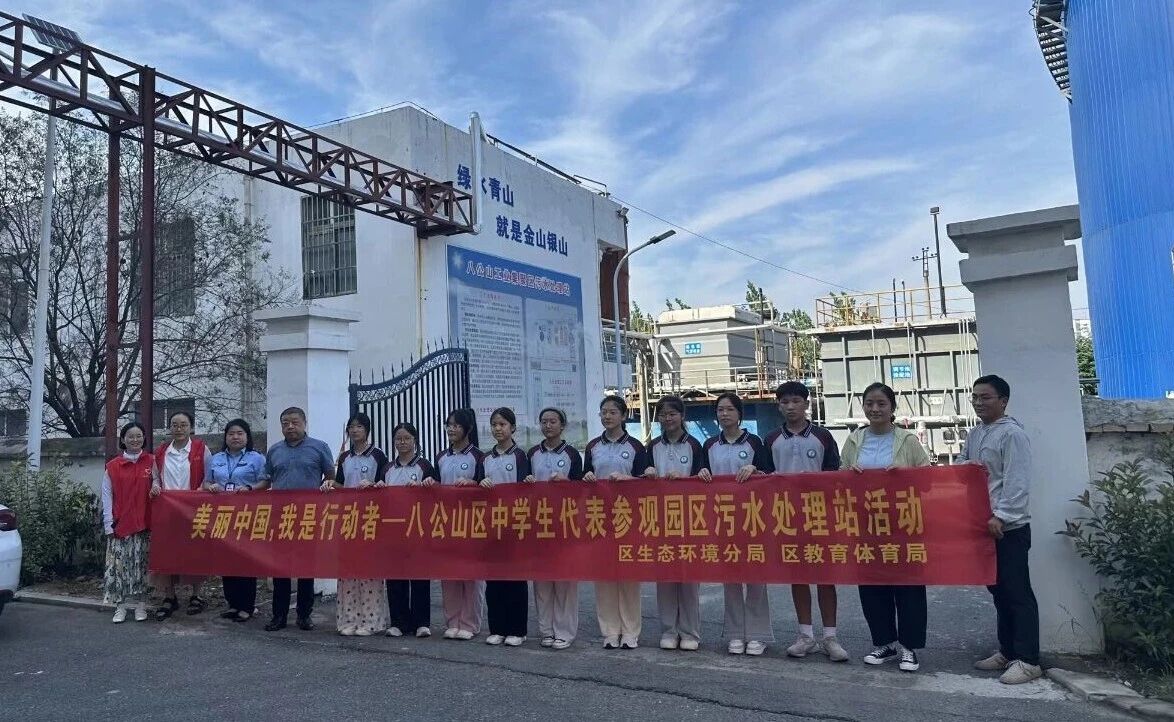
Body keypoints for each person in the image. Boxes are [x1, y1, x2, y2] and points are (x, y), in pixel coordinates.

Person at [841, 382, 931, 673]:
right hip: (866, 525)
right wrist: (849, 476)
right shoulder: (854, 440)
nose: (875, 409)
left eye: (881, 403)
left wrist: (905, 476)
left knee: (908, 586)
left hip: (902, 524)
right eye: (869, 403)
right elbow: (839, 480)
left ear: (892, 407)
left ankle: (909, 647)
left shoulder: (907, 440)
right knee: (872, 585)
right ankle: (884, 643)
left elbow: (928, 481)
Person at [963, 375, 1042, 685]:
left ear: (1003, 401)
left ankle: (1029, 660)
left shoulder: (1012, 435)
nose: (978, 402)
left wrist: (1003, 516)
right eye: (975, 397)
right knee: (998, 591)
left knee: (1017, 593)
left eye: (986, 397)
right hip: (984, 524)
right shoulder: (976, 433)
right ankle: (1007, 651)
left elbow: (1017, 481)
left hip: (1008, 528)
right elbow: (965, 468)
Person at [761, 381, 847, 662]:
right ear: (778, 406)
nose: (790, 407)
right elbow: (764, 478)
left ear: (806, 404)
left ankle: (830, 637)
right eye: (784, 402)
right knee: (797, 576)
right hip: (786, 517)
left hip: (820, 516)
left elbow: (835, 475)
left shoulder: (823, 436)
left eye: (796, 401)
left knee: (825, 577)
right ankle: (805, 636)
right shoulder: (771, 439)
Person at [698, 392, 773, 656]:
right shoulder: (709, 445)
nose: (724, 414)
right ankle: (735, 633)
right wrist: (701, 472)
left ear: (740, 413)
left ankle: (758, 635)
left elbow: (770, 476)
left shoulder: (755, 443)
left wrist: (755, 470)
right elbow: (701, 478)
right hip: (723, 518)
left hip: (753, 517)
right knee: (730, 578)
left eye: (730, 409)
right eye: (720, 410)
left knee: (755, 577)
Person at [256, 406, 336, 632]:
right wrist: (247, 490)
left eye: (295, 422)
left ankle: (304, 615)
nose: (290, 426)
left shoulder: (319, 447)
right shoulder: (274, 450)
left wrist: (327, 488)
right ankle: (279, 616)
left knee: (306, 568)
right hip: (281, 517)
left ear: (304, 423)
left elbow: (330, 477)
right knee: (280, 568)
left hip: (308, 516)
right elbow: (266, 480)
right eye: (285, 423)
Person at [582, 395, 648, 650]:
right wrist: (588, 476)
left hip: (628, 518)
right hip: (600, 518)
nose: (607, 416)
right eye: (604, 412)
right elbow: (583, 480)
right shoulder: (593, 447)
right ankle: (610, 631)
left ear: (623, 415)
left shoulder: (635, 446)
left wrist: (629, 480)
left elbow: (644, 483)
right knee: (604, 576)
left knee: (629, 576)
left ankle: (630, 631)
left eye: (612, 412)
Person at [642, 396, 706, 652]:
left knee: (689, 579)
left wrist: (686, 479)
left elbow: (704, 481)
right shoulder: (652, 447)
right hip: (660, 520)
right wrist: (647, 474)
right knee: (666, 577)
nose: (667, 419)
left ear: (682, 416)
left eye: (672, 414)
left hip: (689, 519)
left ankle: (690, 632)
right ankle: (668, 630)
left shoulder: (695, 446)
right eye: (663, 414)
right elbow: (642, 481)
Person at [425, 408, 487, 640]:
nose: (451, 429)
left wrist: (473, 483)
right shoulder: (441, 456)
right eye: (448, 425)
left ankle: (470, 623)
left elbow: (485, 486)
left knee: (471, 575)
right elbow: (435, 483)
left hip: (471, 521)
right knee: (449, 572)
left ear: (467, 429)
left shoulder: (479, 457)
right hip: (446, 521)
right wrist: (430, 481)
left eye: (456, 425)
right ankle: (452, 621)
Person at [525, 407, 583, 650]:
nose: (548, 426)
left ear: (562, 425)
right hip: (538, 524)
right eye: (544, 422)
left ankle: (565, 631)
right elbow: (522, 489)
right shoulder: (532, 454)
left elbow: (581, 490)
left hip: (564, 523)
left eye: (552, 421)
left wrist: (567, 483)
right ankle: (546, 630)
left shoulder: (572, 454)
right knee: (542, 581)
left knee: (565, 580)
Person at [202, 418, 268, 622]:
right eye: (231, 434)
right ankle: (232, 604)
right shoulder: (216, 458)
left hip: (247, 515)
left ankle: (247, 606)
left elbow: (266, 482)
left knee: (246, 560)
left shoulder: (257, 458)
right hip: (222, 515)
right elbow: (206, 482)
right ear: (226, 437)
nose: (235, 437)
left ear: (247, 436)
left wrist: (249, 488)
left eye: (240, 433)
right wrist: (211, 487)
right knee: (226, 560)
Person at [333, 412, 392, 637]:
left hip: (370, 518)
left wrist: (374, 485)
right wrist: (330, 485)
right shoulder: (344, 457)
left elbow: (385, 485)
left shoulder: (378, 456)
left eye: (359, 426)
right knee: (348, 570)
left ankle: (372, 620)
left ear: (367, 430)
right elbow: (340, 485)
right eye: (351, 427)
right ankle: (348, 619)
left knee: (369, 571)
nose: (355, 430)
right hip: (348, 519)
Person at [152, 410, 213, 620]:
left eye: (183, 425)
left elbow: (209, 476)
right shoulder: (161, 451)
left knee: (195, 552)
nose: (179, 429)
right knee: (166, 553)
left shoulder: (201, 449)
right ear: (169, 428)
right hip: (167, 511)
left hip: (193, 510)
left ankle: (196, 595)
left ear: (191, 428)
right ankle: (169, 597)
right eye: (175, 425)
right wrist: (155, 487)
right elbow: (155, 477)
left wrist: (199, 492)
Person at [380, 421, 436, 639]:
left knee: (419, 576)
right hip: (393, 529)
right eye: (398, 439)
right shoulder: (387, 468)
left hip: (418, 528)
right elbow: (378, 497)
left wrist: (427, 485)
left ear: (415, 440)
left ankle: (421, 622)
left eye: (406, 438)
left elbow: (436, 494)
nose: (402, 442)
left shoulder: (424, 466)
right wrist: (378, 487)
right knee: (396, 577)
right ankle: (398, 622)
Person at [482, 407, 531, 647]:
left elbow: (525, 490)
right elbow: (476, 491)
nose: (498, 429)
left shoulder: (521, 457)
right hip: (492, 525)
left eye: (502, 424)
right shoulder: (486, 458)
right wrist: (481, 482)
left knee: (515, 579)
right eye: (494, 424)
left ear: (513, 428)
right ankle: (497, 628)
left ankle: (517, 629)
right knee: (493, 579)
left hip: (515, 524)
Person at [102, 422, 160, 623]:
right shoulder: (113, 466)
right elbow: (107, 496)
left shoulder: (152, 461)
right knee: (120, 568)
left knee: (142, 567)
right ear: (123, 440)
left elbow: (158, 482)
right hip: (121, 525)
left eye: (139, 436)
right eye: (130, 436)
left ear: (144, 438)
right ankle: (120, 606)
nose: (135, 440)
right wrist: (108, 524)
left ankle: (141, 605)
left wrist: (156, 486)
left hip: (145, 524)